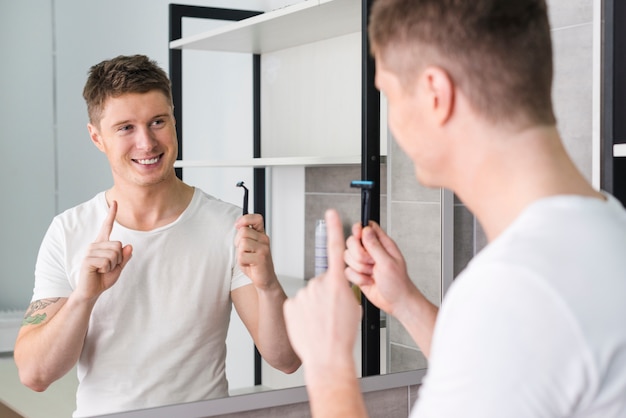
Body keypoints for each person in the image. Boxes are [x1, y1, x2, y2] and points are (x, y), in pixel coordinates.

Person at [283, 0, 626, 416]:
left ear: (435, 95)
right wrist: (406, 302)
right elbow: (505, 373)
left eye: (388, 93)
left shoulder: (513, 291)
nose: (391, 119)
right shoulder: (605, 226)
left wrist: (327, 365)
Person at [14, 54, 300, 417]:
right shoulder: (68, 231)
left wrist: (269, 285)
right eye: (125, 128)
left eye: (157, 122)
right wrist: (85, 297)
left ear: (174, 122)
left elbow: (286, 359)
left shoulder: (228, 225)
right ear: (97, 137)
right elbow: (35, 374)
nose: (147, 143)